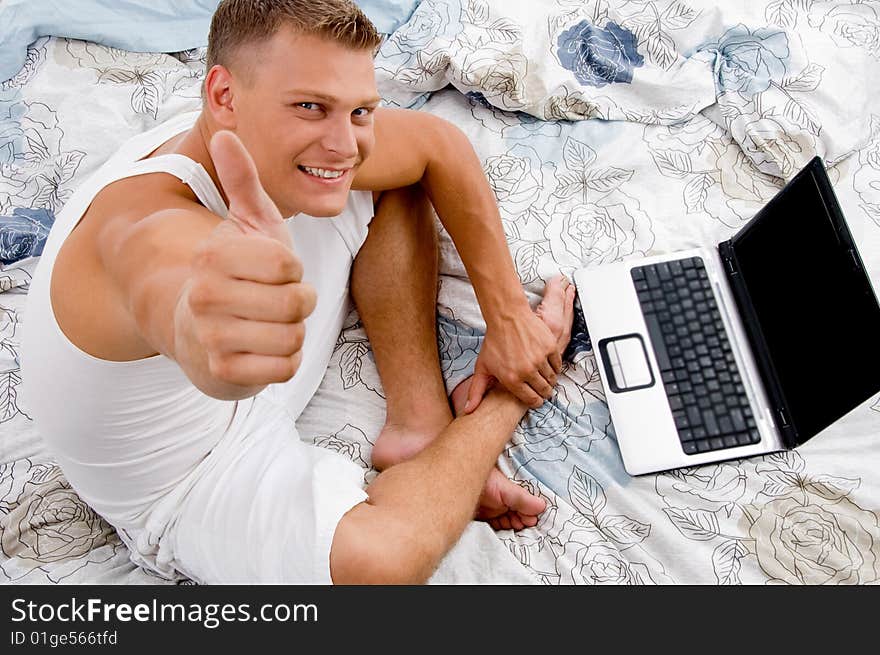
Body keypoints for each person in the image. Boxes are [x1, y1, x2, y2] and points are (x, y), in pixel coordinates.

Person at [21, 0, 573, 583]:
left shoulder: (289, 149)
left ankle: (419, 427)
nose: (346, 144)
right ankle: (484, 420)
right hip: (196, 472)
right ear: (223, 95)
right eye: (310, 107)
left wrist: (510, 318)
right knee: (375, 570)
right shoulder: (137, 225)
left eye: (360, 110)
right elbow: (171, 283)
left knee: (397, 178)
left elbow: (437, 145)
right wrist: (214, 332)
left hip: (268, 331)